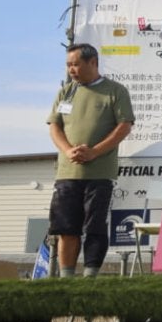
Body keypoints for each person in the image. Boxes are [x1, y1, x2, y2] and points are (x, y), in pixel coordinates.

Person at [47, 43, 134, 277]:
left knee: (95, 226)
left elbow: (124, 126)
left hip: (100, 173)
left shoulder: (115, 90)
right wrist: (68, 150)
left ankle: (90, 276)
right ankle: (66, 276)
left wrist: (95, 151)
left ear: (93, 62)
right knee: (66, 227)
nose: (71, 69)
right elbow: (54, 126)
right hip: (67, 173)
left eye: (75, 64)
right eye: (68, 65)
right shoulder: (66, 92)